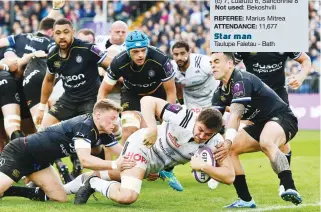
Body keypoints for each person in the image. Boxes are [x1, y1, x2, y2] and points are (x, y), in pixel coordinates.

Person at [73, 96, 235, 205]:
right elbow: (147, 100)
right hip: (143, 146)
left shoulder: (216, 143)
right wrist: (152, 128)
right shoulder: (183, 116)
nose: (201, 136)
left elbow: (229, 177)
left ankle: (59, 191)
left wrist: (204, 167)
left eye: (207, 134)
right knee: (128, 196)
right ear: (197, 120)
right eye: (200, 129)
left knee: (111, 175)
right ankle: (93, 184)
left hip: (155, 165)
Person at [210, 52, 302, 208]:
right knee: (230, 149)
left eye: (217, 61)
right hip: (260, 124)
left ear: (230, 64)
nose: (212, 65)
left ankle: (289, 187)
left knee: (267, 141)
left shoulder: (241, 80)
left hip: (283, 117)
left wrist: (226, 140)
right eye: (211, 62)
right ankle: (245, 200)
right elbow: (213, 123)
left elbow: (236, 116)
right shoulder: (218, 94)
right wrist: (202, 148)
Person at [0, 99, 135, 202]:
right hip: (20, 153)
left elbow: (124, 153)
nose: (115, 123)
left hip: (40, 162)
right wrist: (115, 164)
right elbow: (85, 160)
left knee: (60, 198)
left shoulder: (103, 132)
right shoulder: (84, 125)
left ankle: (9, 191)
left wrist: (146, 166)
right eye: (112, 118)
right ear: (98, 115)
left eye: (117, 119)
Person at [35, 18, 115, 183]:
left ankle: (106, 174)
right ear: (53, 35)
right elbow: (48, 80)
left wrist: (104, 91)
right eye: (58, 33)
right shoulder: (53, 55)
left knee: (94, 146)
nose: (62, 36)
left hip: (90, 100)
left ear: (72, 32)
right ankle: (39, 175)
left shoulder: (87, 49)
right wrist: (42, 107)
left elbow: (113, 67)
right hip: (69, 99)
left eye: (65, 32)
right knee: (42, 133)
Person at [97, 30, 179, 190]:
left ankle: (166, 170)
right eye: (135, 51)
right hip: (132, 95)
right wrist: (100, 115)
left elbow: (171, 91)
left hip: (158, 94)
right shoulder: (118, 62)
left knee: (159, 135)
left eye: (143, 50)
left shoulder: (161, 59)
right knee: (128, 131)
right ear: (128, 52)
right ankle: (120, 170)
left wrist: (167, 119)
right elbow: (103, 91)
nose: (140, 54)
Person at [233, 52, 311, 196]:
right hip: (254, 98)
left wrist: (300, 77)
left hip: (277, 99)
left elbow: (305, 59)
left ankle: (285, 183)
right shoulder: (245, 43)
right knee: (239, 144)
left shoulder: (281, 39)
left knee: (277, 140)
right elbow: (227, 63)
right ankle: (241, 192)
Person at [171, 40, 221, 190]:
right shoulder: (172, 67)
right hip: (192, 107)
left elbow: (221, 74)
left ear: (189, 53)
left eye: (182, 54)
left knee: (217, 137)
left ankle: (216, 172)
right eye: (176, 54)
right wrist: (181, 104)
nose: (179, 57)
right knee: (184, 137)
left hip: (212, 103)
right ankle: (169, 167)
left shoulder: (204, 62)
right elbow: (176, 86)